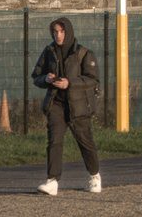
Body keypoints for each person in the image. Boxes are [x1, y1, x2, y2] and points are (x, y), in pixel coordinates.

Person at [30, 16, 102, 195]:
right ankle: (52, 181)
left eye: (61, 31)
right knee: (54, 140)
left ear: (68, 32)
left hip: (78, 106)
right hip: (56, 103)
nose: (58, 35)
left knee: (85, 142)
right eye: (55, 31)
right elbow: (36, 76)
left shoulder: (84, 53)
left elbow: (92, 79)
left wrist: (70, 82)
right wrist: (45, 79)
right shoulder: (48, 51)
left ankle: (94, 176)